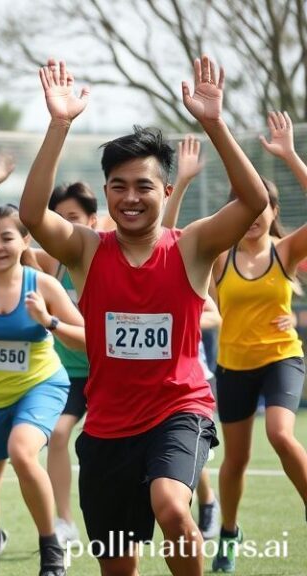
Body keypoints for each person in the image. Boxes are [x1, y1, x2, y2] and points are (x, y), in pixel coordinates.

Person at [19, 56, 268, 576]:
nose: (131, 197)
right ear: (106, 190)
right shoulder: (87, 251)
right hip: (107, 428)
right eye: (119, 185)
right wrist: (59, 124)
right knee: (118, 568)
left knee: (174, 508)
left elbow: (253, 198)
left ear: (167, 191)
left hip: (179, 411)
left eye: (145, 186)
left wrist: (215, 124)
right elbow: (31, 215)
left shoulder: (193, 246)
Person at [208, 111, 307, 572]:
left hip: (281, 359)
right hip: (232, 366)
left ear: (272, 213)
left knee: (281, 434)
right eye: (242, 207)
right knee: (235, 461)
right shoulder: (217, 258)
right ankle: (229, 531)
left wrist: (288, 154)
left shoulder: (284, 252)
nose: (251, 216)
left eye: (260, 207)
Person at [0, 204, 84, 576]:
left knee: (22, 451)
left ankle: (51, 548)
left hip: (40, 386)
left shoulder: (41, 284)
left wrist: (49, 322)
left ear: (25, 240)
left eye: (7, 237)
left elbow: (87, 338)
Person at [160, 134, 223, 541]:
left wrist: (183, 321)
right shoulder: (156, 258)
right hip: (147, 379)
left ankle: (209, 503)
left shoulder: (197, 262)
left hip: (191, 375)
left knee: (188, 464)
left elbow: (215, 314)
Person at [44, 182, 98, 546]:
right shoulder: (50, 263)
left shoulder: (108, 256)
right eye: (59, 219)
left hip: (112, 373)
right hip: (70, 375)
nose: (66, 225)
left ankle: (205, 501)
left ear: (93, 220)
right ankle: (65, 521)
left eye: (74, 218)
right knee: (59, 435)